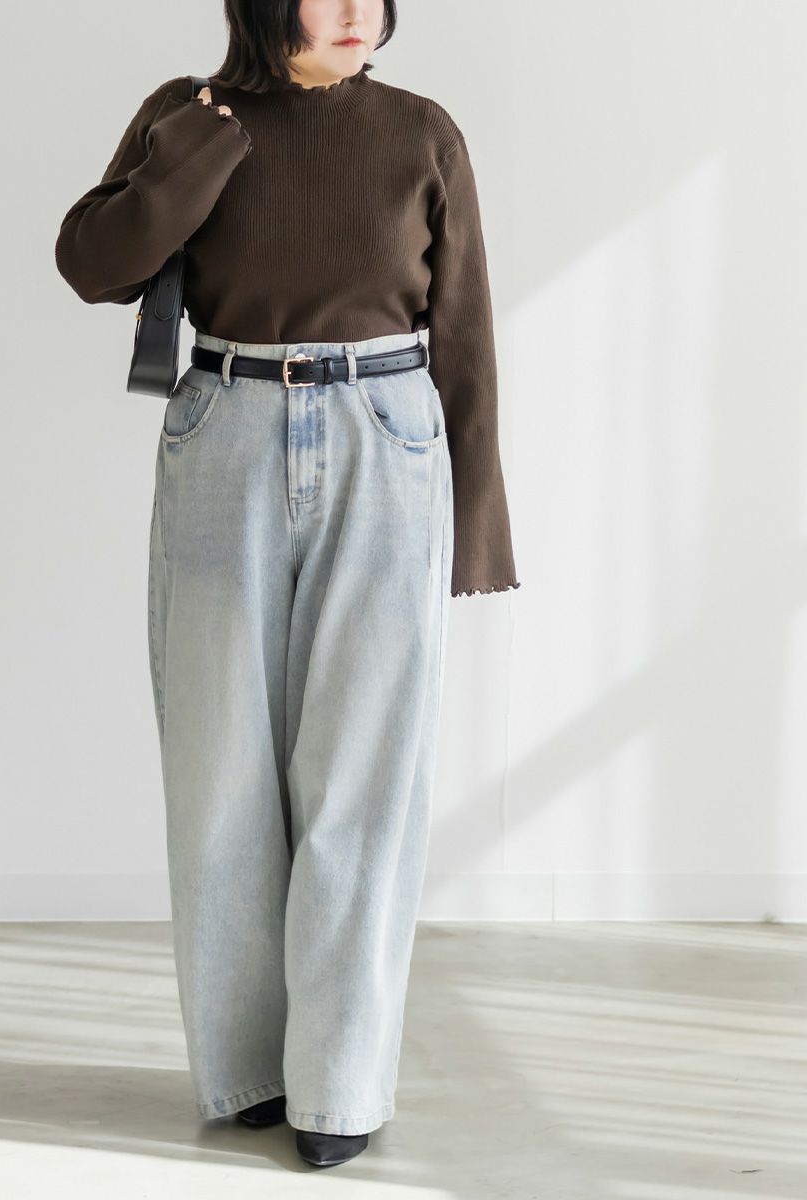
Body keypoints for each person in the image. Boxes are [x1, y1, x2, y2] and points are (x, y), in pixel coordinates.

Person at [55, 0, 519, 1170]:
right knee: (219, 769)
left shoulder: (420, 130)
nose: (359, 12)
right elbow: (93, 266)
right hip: (225, 425)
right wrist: (195, 152)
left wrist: (476, 524)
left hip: (386, 432)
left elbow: (462, 329)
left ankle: (340, 1085)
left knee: (363, 777)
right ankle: (250, 1073)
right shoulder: (188, 115)